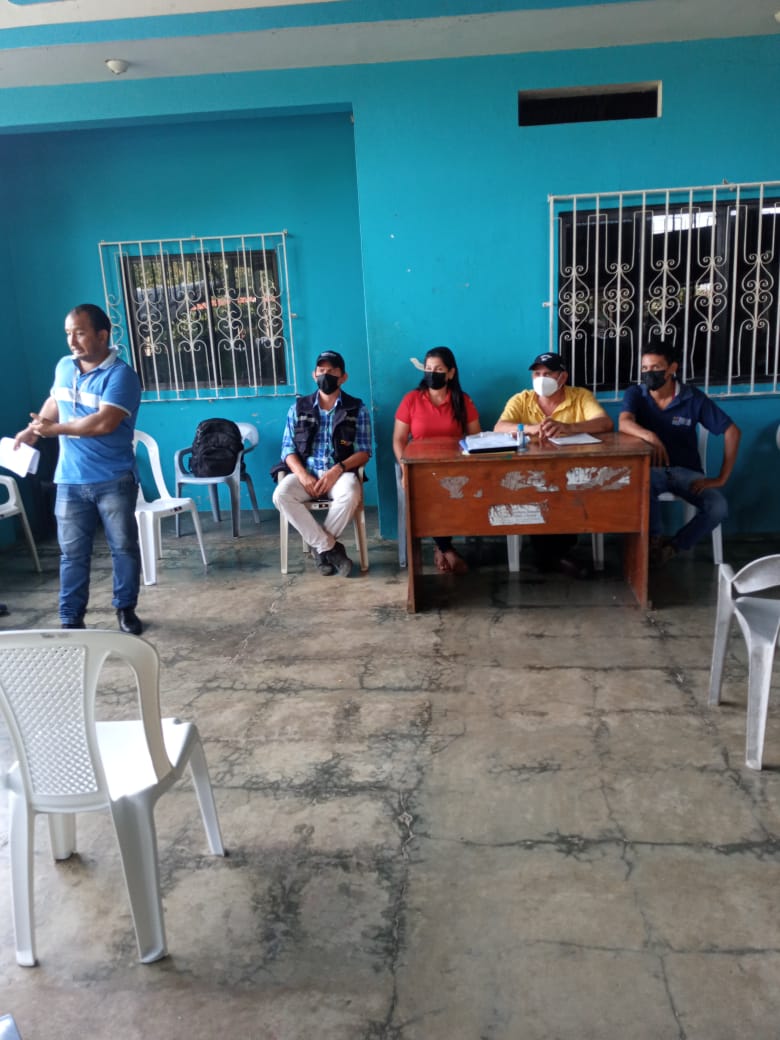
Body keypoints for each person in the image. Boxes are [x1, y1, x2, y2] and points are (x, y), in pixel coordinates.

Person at [14, 304, 143, 634]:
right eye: (68, 334)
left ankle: (125, 610)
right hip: (69, 480)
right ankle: (71, 619)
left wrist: (54, 431)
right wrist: (34, 430)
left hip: (114, 479)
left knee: (123, 549)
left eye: (80, 333)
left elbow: (103, 423)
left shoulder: (122, 376)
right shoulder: (63, 366)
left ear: (102, 335)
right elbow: (55, 402)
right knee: (71, 554)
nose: (72, 341)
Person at [618, 344, 740, 566]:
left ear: (672, 368)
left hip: (687, 473)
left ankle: (673, 547)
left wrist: (721, 478)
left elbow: (732, 431)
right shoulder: (636, 393)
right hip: (651, 471)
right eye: (645, 368)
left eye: (656, 367)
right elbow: (624, 422)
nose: (649, 373)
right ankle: (653, 543)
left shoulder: (692, 397)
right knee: (642, 484)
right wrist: (651, 436)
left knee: (718, 507)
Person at [494, 351, 614, 576]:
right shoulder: (522, 399)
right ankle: (556, 556)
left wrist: (569, 427)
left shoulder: (580, 397)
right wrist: (530, 429)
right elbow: (499, 427)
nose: (541, 379)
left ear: (563, 377)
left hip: (572, 474)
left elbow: (605, 423)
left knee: (567, 493)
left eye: (547, 374)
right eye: (536, 374)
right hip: (531, 475)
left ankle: (551, 556)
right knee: (538, 492)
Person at [272, 350, 372, 577]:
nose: (325, 375)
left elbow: (364, 451)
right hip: (306, 473)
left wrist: (337, 470)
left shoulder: (356, 408)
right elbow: (287, 449)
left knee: (351, 493)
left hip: (339, 473)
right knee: (281, 495)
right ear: (314, 374)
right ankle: (329, 548)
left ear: (343, 377)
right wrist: (303, 475)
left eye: (332, 371)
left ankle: (320, 550)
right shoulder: (298, 408)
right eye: (321, 371)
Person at [393, 346, 481, 574]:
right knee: (428, 493)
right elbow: (398, 439)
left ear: (450, 373)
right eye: (428, 369)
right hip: (420, 468)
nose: (432, 374)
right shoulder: (411, 399)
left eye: (438, 369)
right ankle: (446, 549)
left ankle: (441, 547)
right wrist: (404, 467)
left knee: (453, 491)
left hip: (454, 468)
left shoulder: (462, 400)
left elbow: (476, 438)